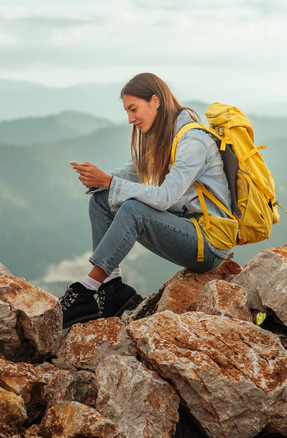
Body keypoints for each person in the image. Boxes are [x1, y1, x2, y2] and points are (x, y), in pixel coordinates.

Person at [60, 72, 234, 328]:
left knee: (133, 210)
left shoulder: (193, 141)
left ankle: (86, 291)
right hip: (186, 229)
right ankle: (112, 290)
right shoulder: (163, 136)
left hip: (209, 244)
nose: (131, 119)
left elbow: (164, 198)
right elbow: (127, 174)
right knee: (101, 200)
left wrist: (109, 182)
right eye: (127, 112)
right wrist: (100, 179)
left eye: (133, 109)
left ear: (155, 100)